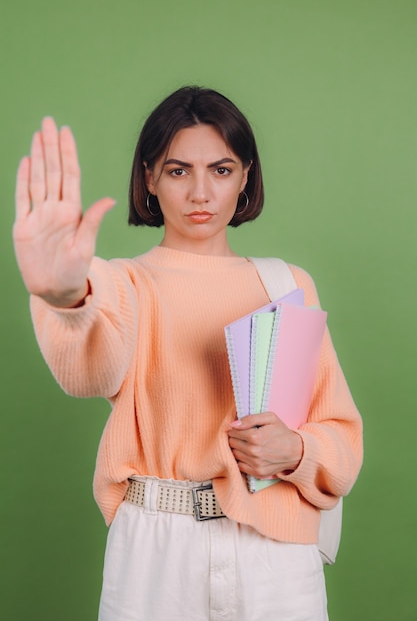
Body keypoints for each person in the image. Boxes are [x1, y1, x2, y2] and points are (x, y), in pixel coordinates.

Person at [13, 86, 363, 621]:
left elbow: (341, 436)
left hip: (274, 556)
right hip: (157, 552)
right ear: (149, 178)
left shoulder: (286, 285)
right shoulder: (121, 284)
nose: (201, 192)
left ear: (246, 176)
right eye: (178, 171)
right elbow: (88, 368)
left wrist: (295, 452)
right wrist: (66, 297)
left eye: (221, 170)